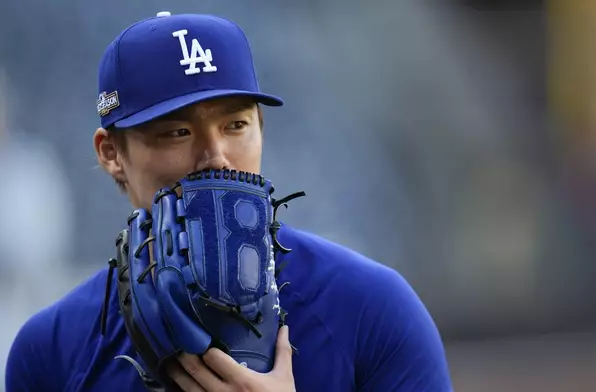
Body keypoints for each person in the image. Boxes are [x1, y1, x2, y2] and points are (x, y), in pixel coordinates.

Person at [4, 11, 453, 392]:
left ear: (261, 128)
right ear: (111, 154)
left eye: (236, 125)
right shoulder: (52, 349)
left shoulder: (372, 309)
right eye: (176, 132)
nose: (215, 156)